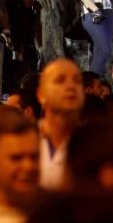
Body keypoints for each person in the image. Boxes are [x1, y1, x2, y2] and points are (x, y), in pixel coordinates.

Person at [37, 58, 85, 190]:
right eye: (60, 80)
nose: (71, 86)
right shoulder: (22, 138)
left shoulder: (96, 143)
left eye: (77, 81)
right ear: (41, 94)